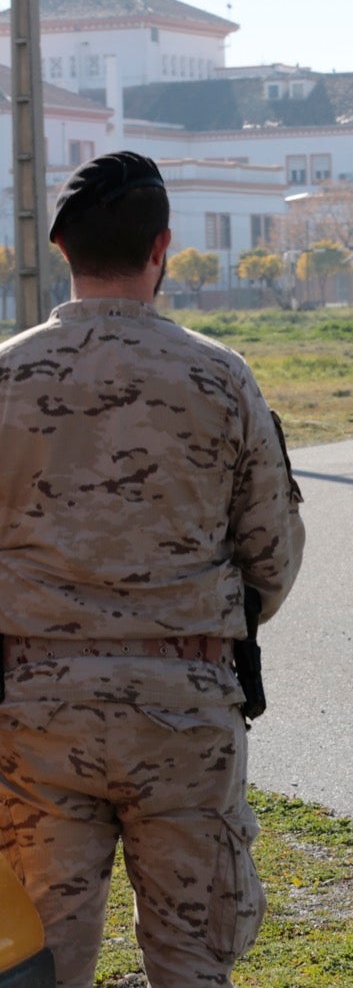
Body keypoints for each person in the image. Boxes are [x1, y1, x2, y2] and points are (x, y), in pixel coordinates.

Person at [0, 151, 305, 986]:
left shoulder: (6, 376)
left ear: (59, 247)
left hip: (35, 713)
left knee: (39, 965)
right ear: (163, 246)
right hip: (184, 710)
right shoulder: (221, 377)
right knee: (192, 962)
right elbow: (270, 558)